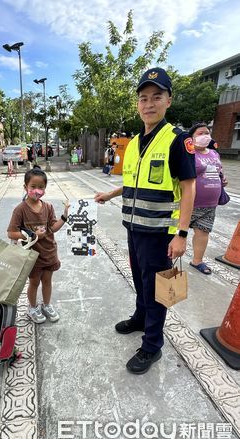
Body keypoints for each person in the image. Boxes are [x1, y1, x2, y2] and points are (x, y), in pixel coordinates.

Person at [95, 67, 196, 374]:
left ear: (168, 100)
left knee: (158, 290)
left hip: (160, 233)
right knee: (140, 281)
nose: (149, 103)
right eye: (143, 98)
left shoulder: (177, 140)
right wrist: (111, 194)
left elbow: (190, 187)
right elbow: (135, 182)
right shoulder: (136, 140)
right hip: (134, 228)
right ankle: (140, 319)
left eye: (156, 97)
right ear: (137, 104)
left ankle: (152, 346)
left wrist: (181, 234)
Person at [7, 166, 69, 323]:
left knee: (47, 281)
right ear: (25, 187)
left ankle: (46, 305)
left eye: (41, 187)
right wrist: (31, 235)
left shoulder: (48, 207)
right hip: (32, 256)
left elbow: (52, 227)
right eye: (33, 187)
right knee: (34, 282)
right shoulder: (20, 210)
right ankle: (32, 308)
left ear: (45, 189)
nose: (37, 190)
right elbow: (11, 233)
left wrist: (65, 216)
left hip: (49, 252)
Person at [188, 123, 227, 275]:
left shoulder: (214, 154)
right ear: (191, 137)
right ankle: (166, 259)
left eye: (208, 132)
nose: (206, 136)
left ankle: (197, 261)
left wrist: (223, 180)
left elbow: (219, 171)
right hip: (189, 203)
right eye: (201, 133)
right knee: (175, 233)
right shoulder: (188, 153)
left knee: (203, 232)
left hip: (210, 203)